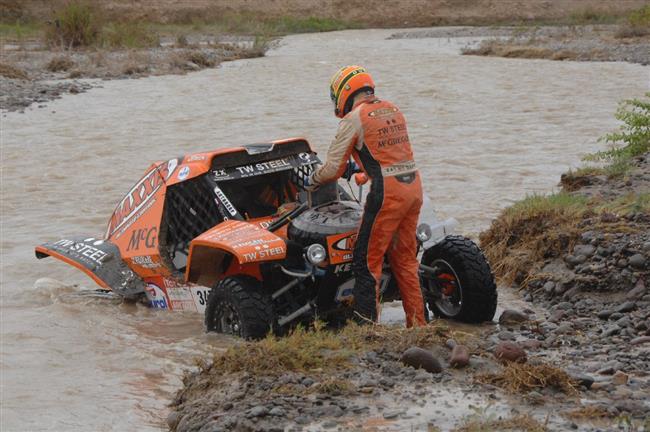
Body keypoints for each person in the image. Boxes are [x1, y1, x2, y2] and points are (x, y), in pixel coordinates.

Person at [308, 65, 426, 327]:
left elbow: (332, 170)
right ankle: (419, 326)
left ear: (343, 93)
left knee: (365, 262)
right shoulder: (393, 110)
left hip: (387, 196)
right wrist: (362, 174)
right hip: (414, 188)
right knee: (406, 261)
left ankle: (368, 331)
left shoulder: (354, 119)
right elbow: (391, 159)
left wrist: (312, 179)